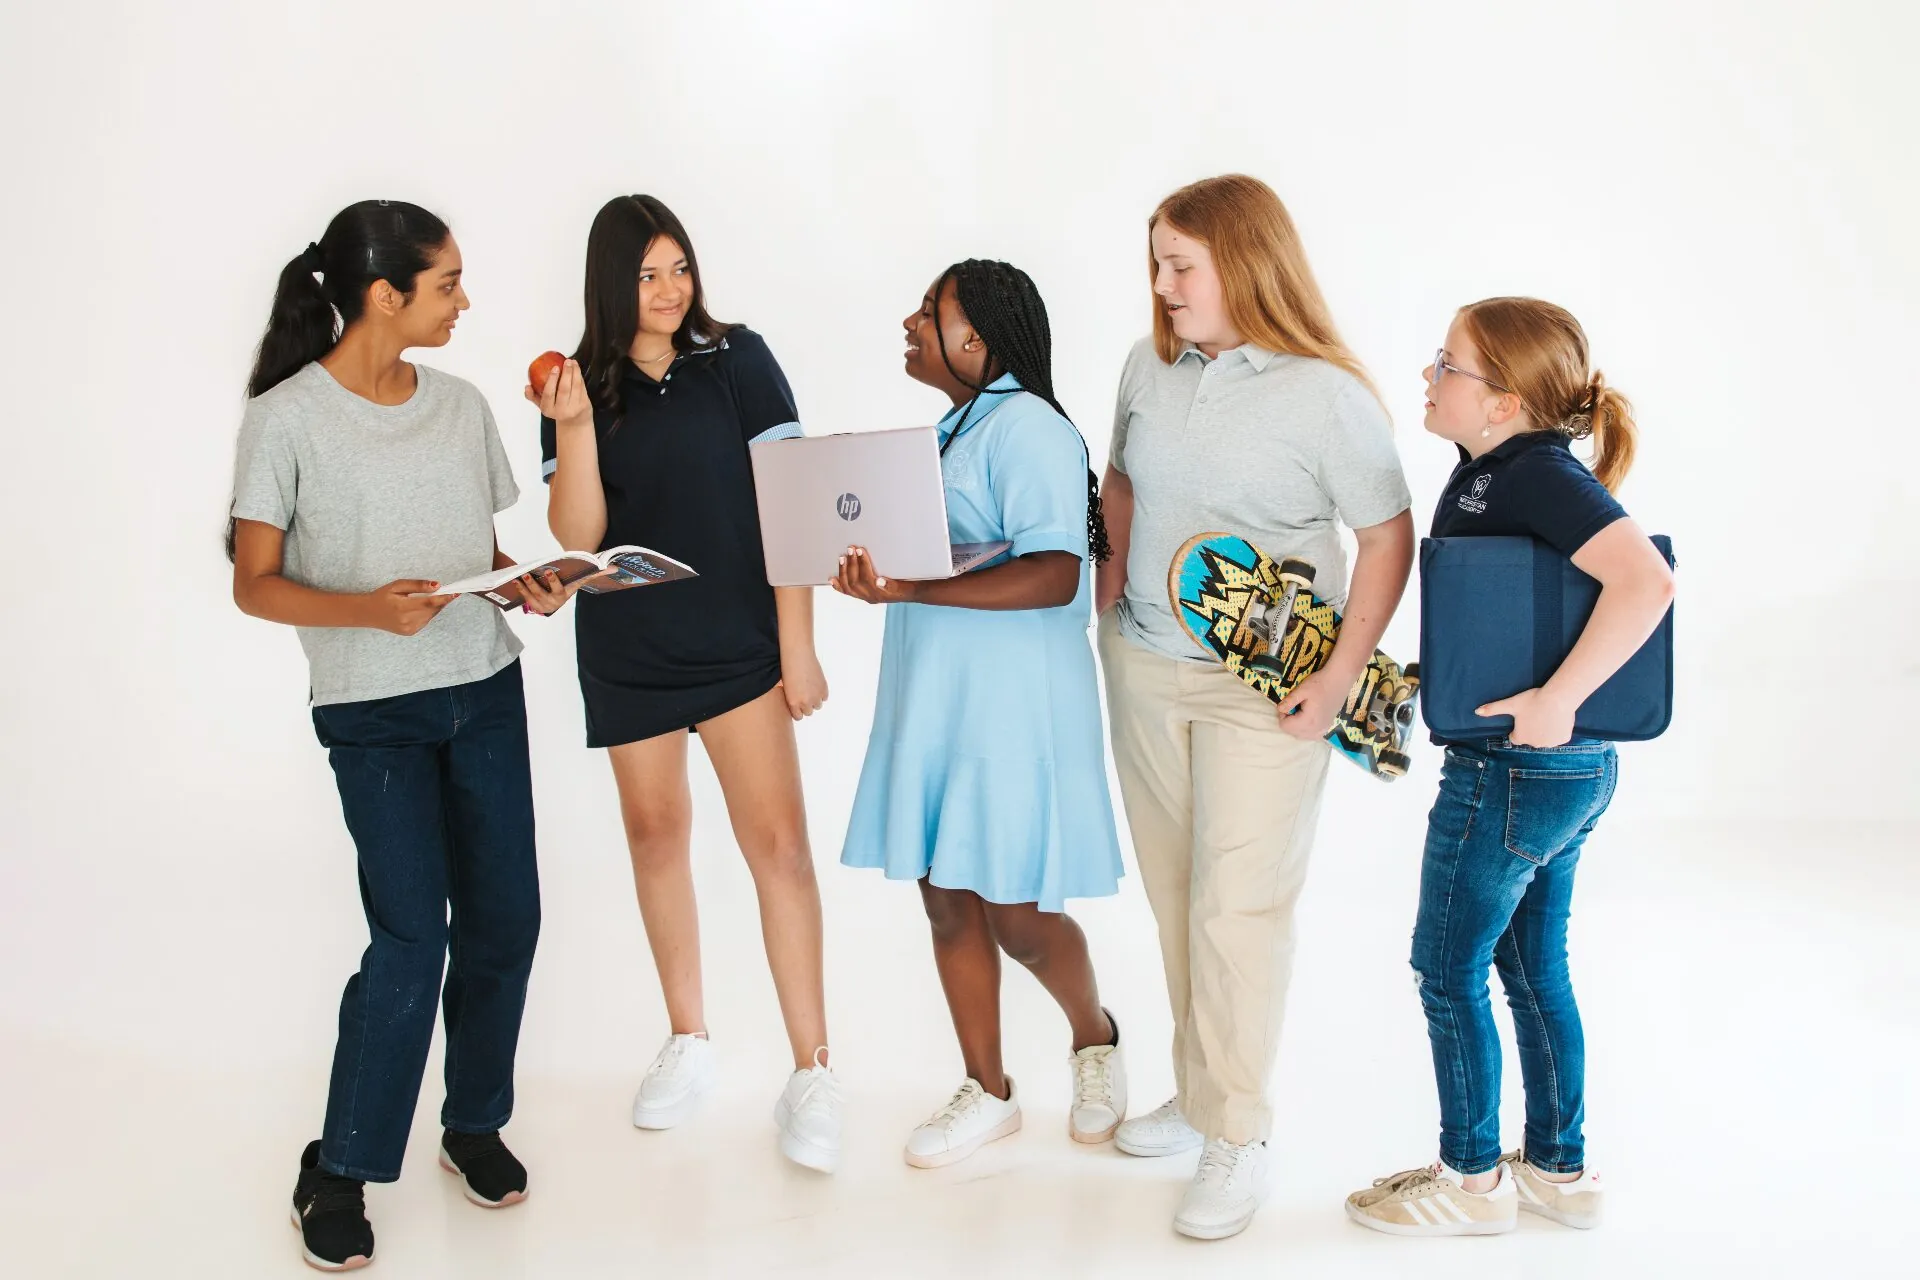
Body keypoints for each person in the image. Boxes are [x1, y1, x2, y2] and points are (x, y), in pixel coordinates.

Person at [229, 200, 571, 1272]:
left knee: (507, 913)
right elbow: (253, 585)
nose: (465, 302)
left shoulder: (464, 406)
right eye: (449, 283)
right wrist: (371, 611)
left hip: (484, 688)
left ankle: (470, 1123)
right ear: (387, 294)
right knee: (412, 935)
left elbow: (478, 545)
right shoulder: (286, 418)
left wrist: (527, 582)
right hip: (372, 711)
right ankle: (337, 1166)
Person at [1096, 174, 1415, 1239]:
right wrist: (1104, 594)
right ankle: (1197, 1097)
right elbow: (1124, 482)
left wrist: (1341, 674)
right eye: (1157, 261)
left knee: (1239, 909)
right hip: (1143, 665)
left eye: (1180, 263)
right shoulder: (1149, 364)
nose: (1162, 283)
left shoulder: (1325, 393)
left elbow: (1385, 533)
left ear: (1245, 262)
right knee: (1180, 895)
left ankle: (1239, 1129)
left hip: (1264, 692)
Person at [1344, 297, 1674, 1237]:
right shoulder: (1494, 475)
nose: (1428, 376)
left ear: (1505, 401)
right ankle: (1560, 1174)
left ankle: (1472, 1182)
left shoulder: (1531, 474)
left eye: (1447, 364)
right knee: (1533, 971)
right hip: (1552, 770)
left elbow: (1646, 580)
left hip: (1517, 770)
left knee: (1447, 968)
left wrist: (1558, 699)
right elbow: (1511, 613)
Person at [534, 194, 840, 1171]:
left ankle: (814, 1068)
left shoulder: (739, 359)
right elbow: (577, 538)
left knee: (779, 848)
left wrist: (798, 643)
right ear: (610, 284)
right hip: (629, 648)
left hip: (740, 647)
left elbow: (793, 505)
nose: (669, 291)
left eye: (679, 268)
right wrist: (574, 426)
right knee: (656, 835)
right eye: (647, 274)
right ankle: (689, 1036)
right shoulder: (577, 382)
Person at [835, 259, 1128, 1169]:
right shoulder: (953, 428)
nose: (913, 322)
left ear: (980, 338)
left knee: (1016, 913)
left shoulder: (1031, 427)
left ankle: (1094, 1038)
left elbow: (1054, 574)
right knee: (946, 899)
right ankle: (989, 1088)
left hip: (1010, 707)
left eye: (933, 311)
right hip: (934, 696)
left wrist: (914, 583)